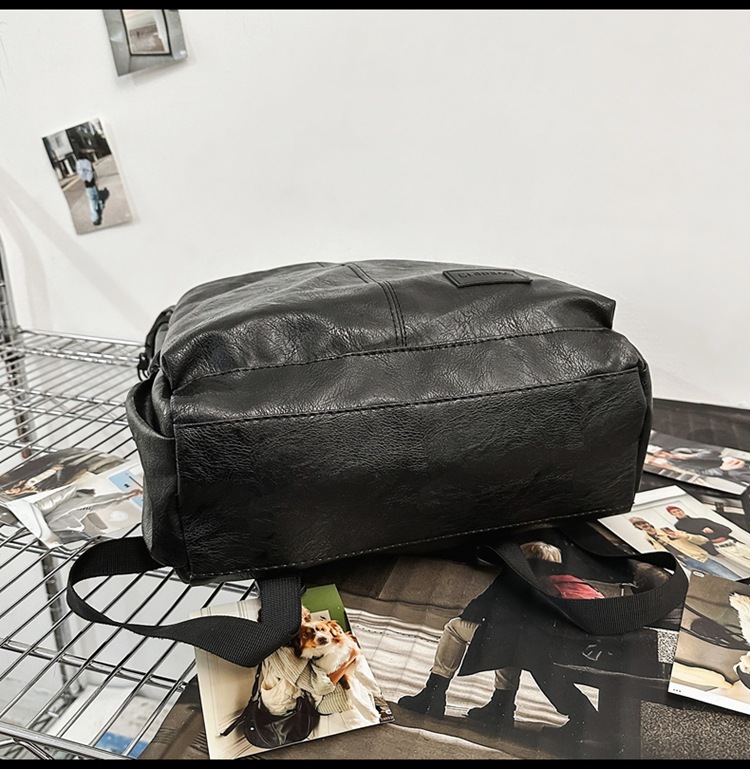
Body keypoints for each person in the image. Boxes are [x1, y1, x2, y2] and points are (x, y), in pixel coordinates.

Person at [398, 540, 606, 741]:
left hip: (531, 642)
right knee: (511, 641)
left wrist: (473, 616)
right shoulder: (568, 579)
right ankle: (501, 707)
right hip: (567, 645)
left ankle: (433, 694)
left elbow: (482, 605)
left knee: (456, 628)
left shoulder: (518, 574)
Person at [628, 517, 742, 580]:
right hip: (686, 564)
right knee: (713, 583)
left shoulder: (666, 530)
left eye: (643, 523)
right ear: (638, 528)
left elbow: (703, 540)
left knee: (730, 577)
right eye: (639, 525)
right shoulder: (648, 539)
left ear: (648, 522)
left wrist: (685, 536)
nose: (643, 525)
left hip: (699, 558)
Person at [666, 504, 750, 572]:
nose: (678, 513)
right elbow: (697, 541)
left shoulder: (701, 520)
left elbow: (727, 529)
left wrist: (713, 530)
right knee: (746, 563)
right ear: (672, 514)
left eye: (678, 510)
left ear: (682, 510)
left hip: (732, 542)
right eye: (674, 512)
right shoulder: (679, 526)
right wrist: (713, 552)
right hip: (720, 547)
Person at [75, 153, 103, 226]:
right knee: (96, 197)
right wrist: (96, 180)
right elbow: (93, 172)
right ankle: (99, 208)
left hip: (87, 185)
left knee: (91, 200)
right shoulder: (88, 162)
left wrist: (85, 179)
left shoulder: (78, 163)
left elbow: (80, 174)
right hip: (93, 183)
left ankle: (95, 218)